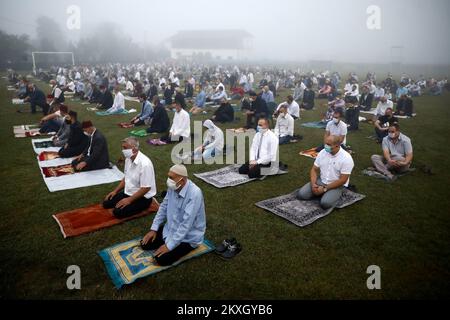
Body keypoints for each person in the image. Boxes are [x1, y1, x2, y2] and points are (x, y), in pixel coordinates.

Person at [140, 164, 206, 266]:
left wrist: (169, 246)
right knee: (144, 244)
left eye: (171, 178)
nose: (168, 180)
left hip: (188, 237)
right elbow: (163, 207)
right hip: (170, 228)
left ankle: (173, 244)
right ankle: (166, 241)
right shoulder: (173, 187)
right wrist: (154, 229)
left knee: (161, 259)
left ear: (182, 180)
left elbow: (186, 224)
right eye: (168, 176)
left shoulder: (195, 193)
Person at [103, 137, 157, 218]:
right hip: (129, 192)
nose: (123, 150)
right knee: (106, 203)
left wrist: (129, 200)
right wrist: (115, 191)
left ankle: (143, 205)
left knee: (117, 212)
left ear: (134, 149)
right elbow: (126, 177)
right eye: (122, 147)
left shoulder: (145, 164)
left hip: (143, 197)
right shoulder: (128, 159)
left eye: (125, 148)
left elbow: (146, 188)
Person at [297, 135, 354, 209]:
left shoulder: (346, 158)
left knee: (325, 204)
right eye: (325, 143)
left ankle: (335, 193)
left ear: (337, 145)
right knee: (301, 195)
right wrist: (313, 184)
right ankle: (322, 193)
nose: (325, 146)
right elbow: (314, 169)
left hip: (336, 185)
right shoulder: (322, 152)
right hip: (321, 180)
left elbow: (343, 180)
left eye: (329, 145)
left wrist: (324, 189)